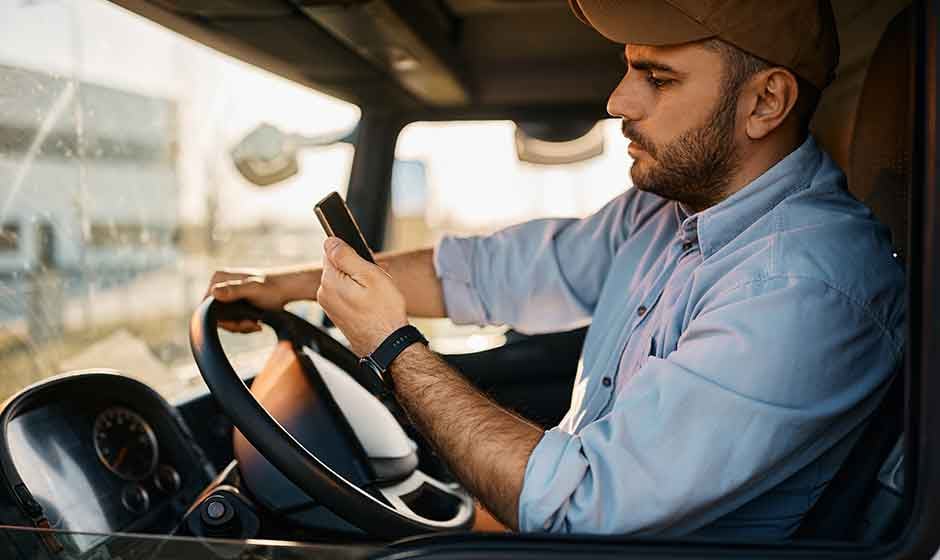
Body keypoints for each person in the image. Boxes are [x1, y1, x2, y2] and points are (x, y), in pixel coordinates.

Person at [206, 0, 905, 538]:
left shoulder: (802, 286)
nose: (618, 101)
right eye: (630, 68)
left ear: (766, 103)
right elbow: (491, 272)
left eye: (657, 77)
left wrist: (391, 346)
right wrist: (294, 285)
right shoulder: (666, 214)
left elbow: (578, 504)